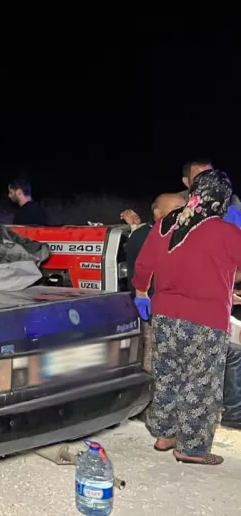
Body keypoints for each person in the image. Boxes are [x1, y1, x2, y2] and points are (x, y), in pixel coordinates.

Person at [132, 169, 241, 465]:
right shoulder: (226, 231)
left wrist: (141, 292)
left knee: (167, 375)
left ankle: (165, 434)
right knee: (201, 383)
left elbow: (144, 264)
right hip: (206, 319)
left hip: (165, 315)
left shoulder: (167, 223)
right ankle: (191, 448)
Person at [120, 193, 185, 375]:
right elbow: (142, 273)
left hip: (174, 310)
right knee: (155, 363)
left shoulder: (171, 234)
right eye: (177, 209)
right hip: (155, 310)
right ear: (158, 213)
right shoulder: (146, 236)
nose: (184, 213)